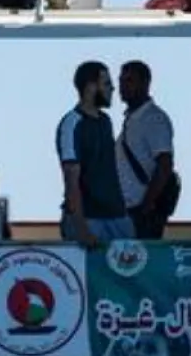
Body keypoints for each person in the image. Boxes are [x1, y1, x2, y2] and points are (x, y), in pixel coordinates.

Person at [56, 60, 135, 246]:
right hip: (91, 218)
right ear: (91, 87)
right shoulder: (72, 123)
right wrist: (81, 229)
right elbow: (71, 176)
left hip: (118, 216)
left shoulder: (105, 121)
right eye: (106, 83)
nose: (113, 89)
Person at [116, 60, 178, 240]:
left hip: (140, 214)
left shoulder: (153, 119)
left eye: (129, 81)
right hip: (127, 212)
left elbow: (165, 164)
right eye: (121, 81)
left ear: (145, 83)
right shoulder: (132, 120)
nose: (123, 86)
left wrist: (146, 206)